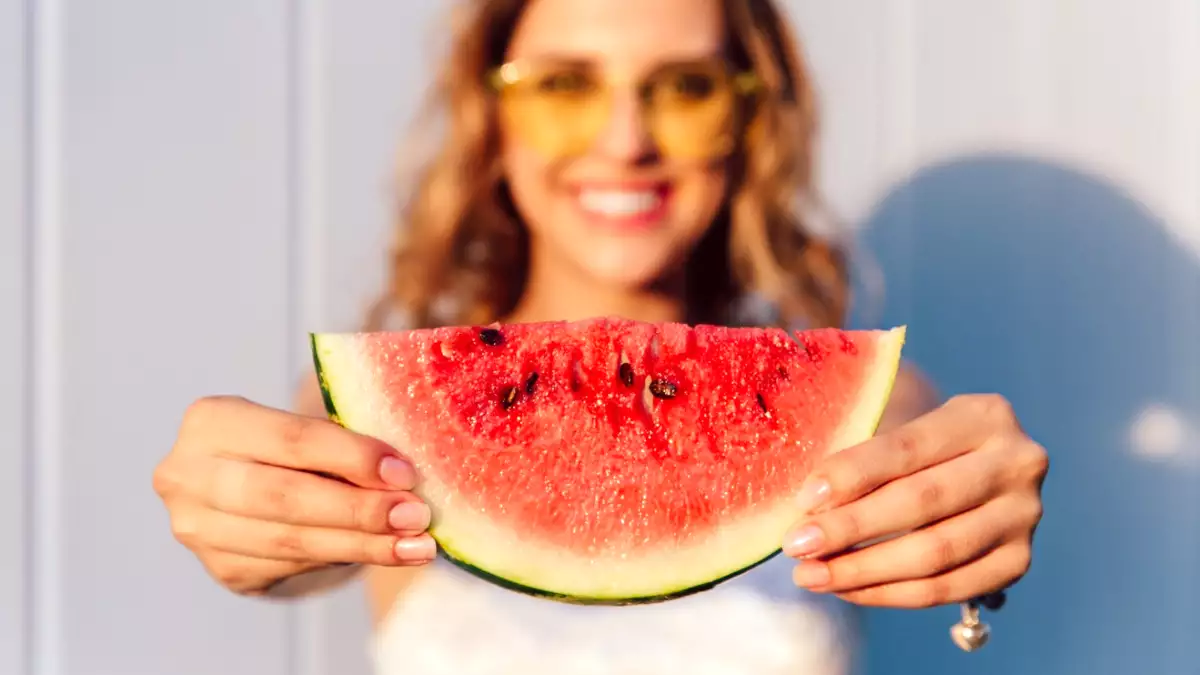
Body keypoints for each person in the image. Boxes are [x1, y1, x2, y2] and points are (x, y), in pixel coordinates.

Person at [152, 0, 1049, 672]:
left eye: (686, 87)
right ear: (494, 117)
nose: (624, 141)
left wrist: (975, 547)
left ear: (747, 120)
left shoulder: (883, 402)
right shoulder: (372, 417)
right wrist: (244, 534)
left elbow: (939, 477)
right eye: (563, 85)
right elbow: (299, 538)